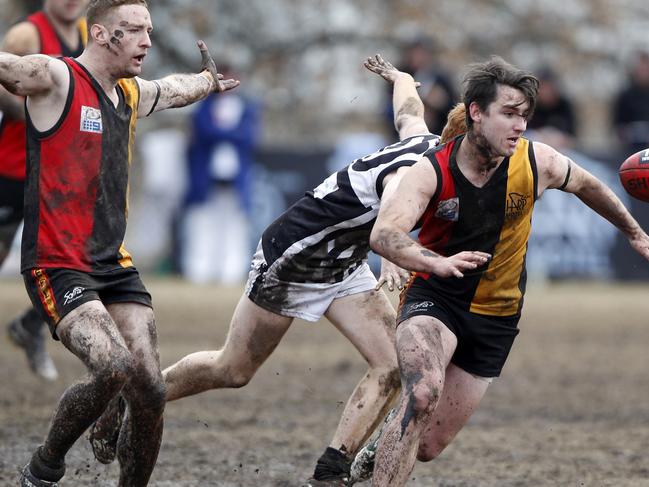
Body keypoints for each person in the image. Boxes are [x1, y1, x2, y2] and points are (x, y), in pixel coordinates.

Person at [89, 54, 467, 487]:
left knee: (392, 365)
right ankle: (132, 396)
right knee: (232, 370)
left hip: (341, 262)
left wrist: (400, 77)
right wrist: (397, 260)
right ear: (459, 147)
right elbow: (388, 227)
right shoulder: (415, 172)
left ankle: (331, 470)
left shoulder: (428, 141)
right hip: (293, 257)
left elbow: (409, 110)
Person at [362, 56, 649, 486]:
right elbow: (384, 234)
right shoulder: (431, 170)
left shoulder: (537, 162)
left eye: (525, 116)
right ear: (476, 112)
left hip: (497, 316)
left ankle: (381, 444)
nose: (520, 126)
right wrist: (433, 262)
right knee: (422, 395)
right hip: (437, 297)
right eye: (509, 114)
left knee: (427, 446)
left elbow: (589, 185)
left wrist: (633, 232)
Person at [0, 0, 239, 485]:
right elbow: (12, 68)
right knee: (112, 367)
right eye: (135, 31)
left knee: (150, 389)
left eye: (149, 30)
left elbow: (171, 89)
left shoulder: (129, 92)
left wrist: (208, 81)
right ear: (102, 34)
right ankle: (44, 467)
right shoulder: (58, 78)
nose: (148, 41)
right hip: (57, 263)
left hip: (112, 263)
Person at [1, 0, 88, 381]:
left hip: (58, 171)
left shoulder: (90, 34)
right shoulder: (27, 34)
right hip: (14, 165)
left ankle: (30, 327)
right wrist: (35, 109)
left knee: (74, 258)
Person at [178, 62, 261, 283]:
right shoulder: (203, 107)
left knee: (235, 224)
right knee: (202, 222)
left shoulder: (246, 108)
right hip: (206, 176)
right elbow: (202, 132)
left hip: (236, 177)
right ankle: (199, 269)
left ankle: (231, 270)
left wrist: (221, 132)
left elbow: (248, 138)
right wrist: (228, 132)